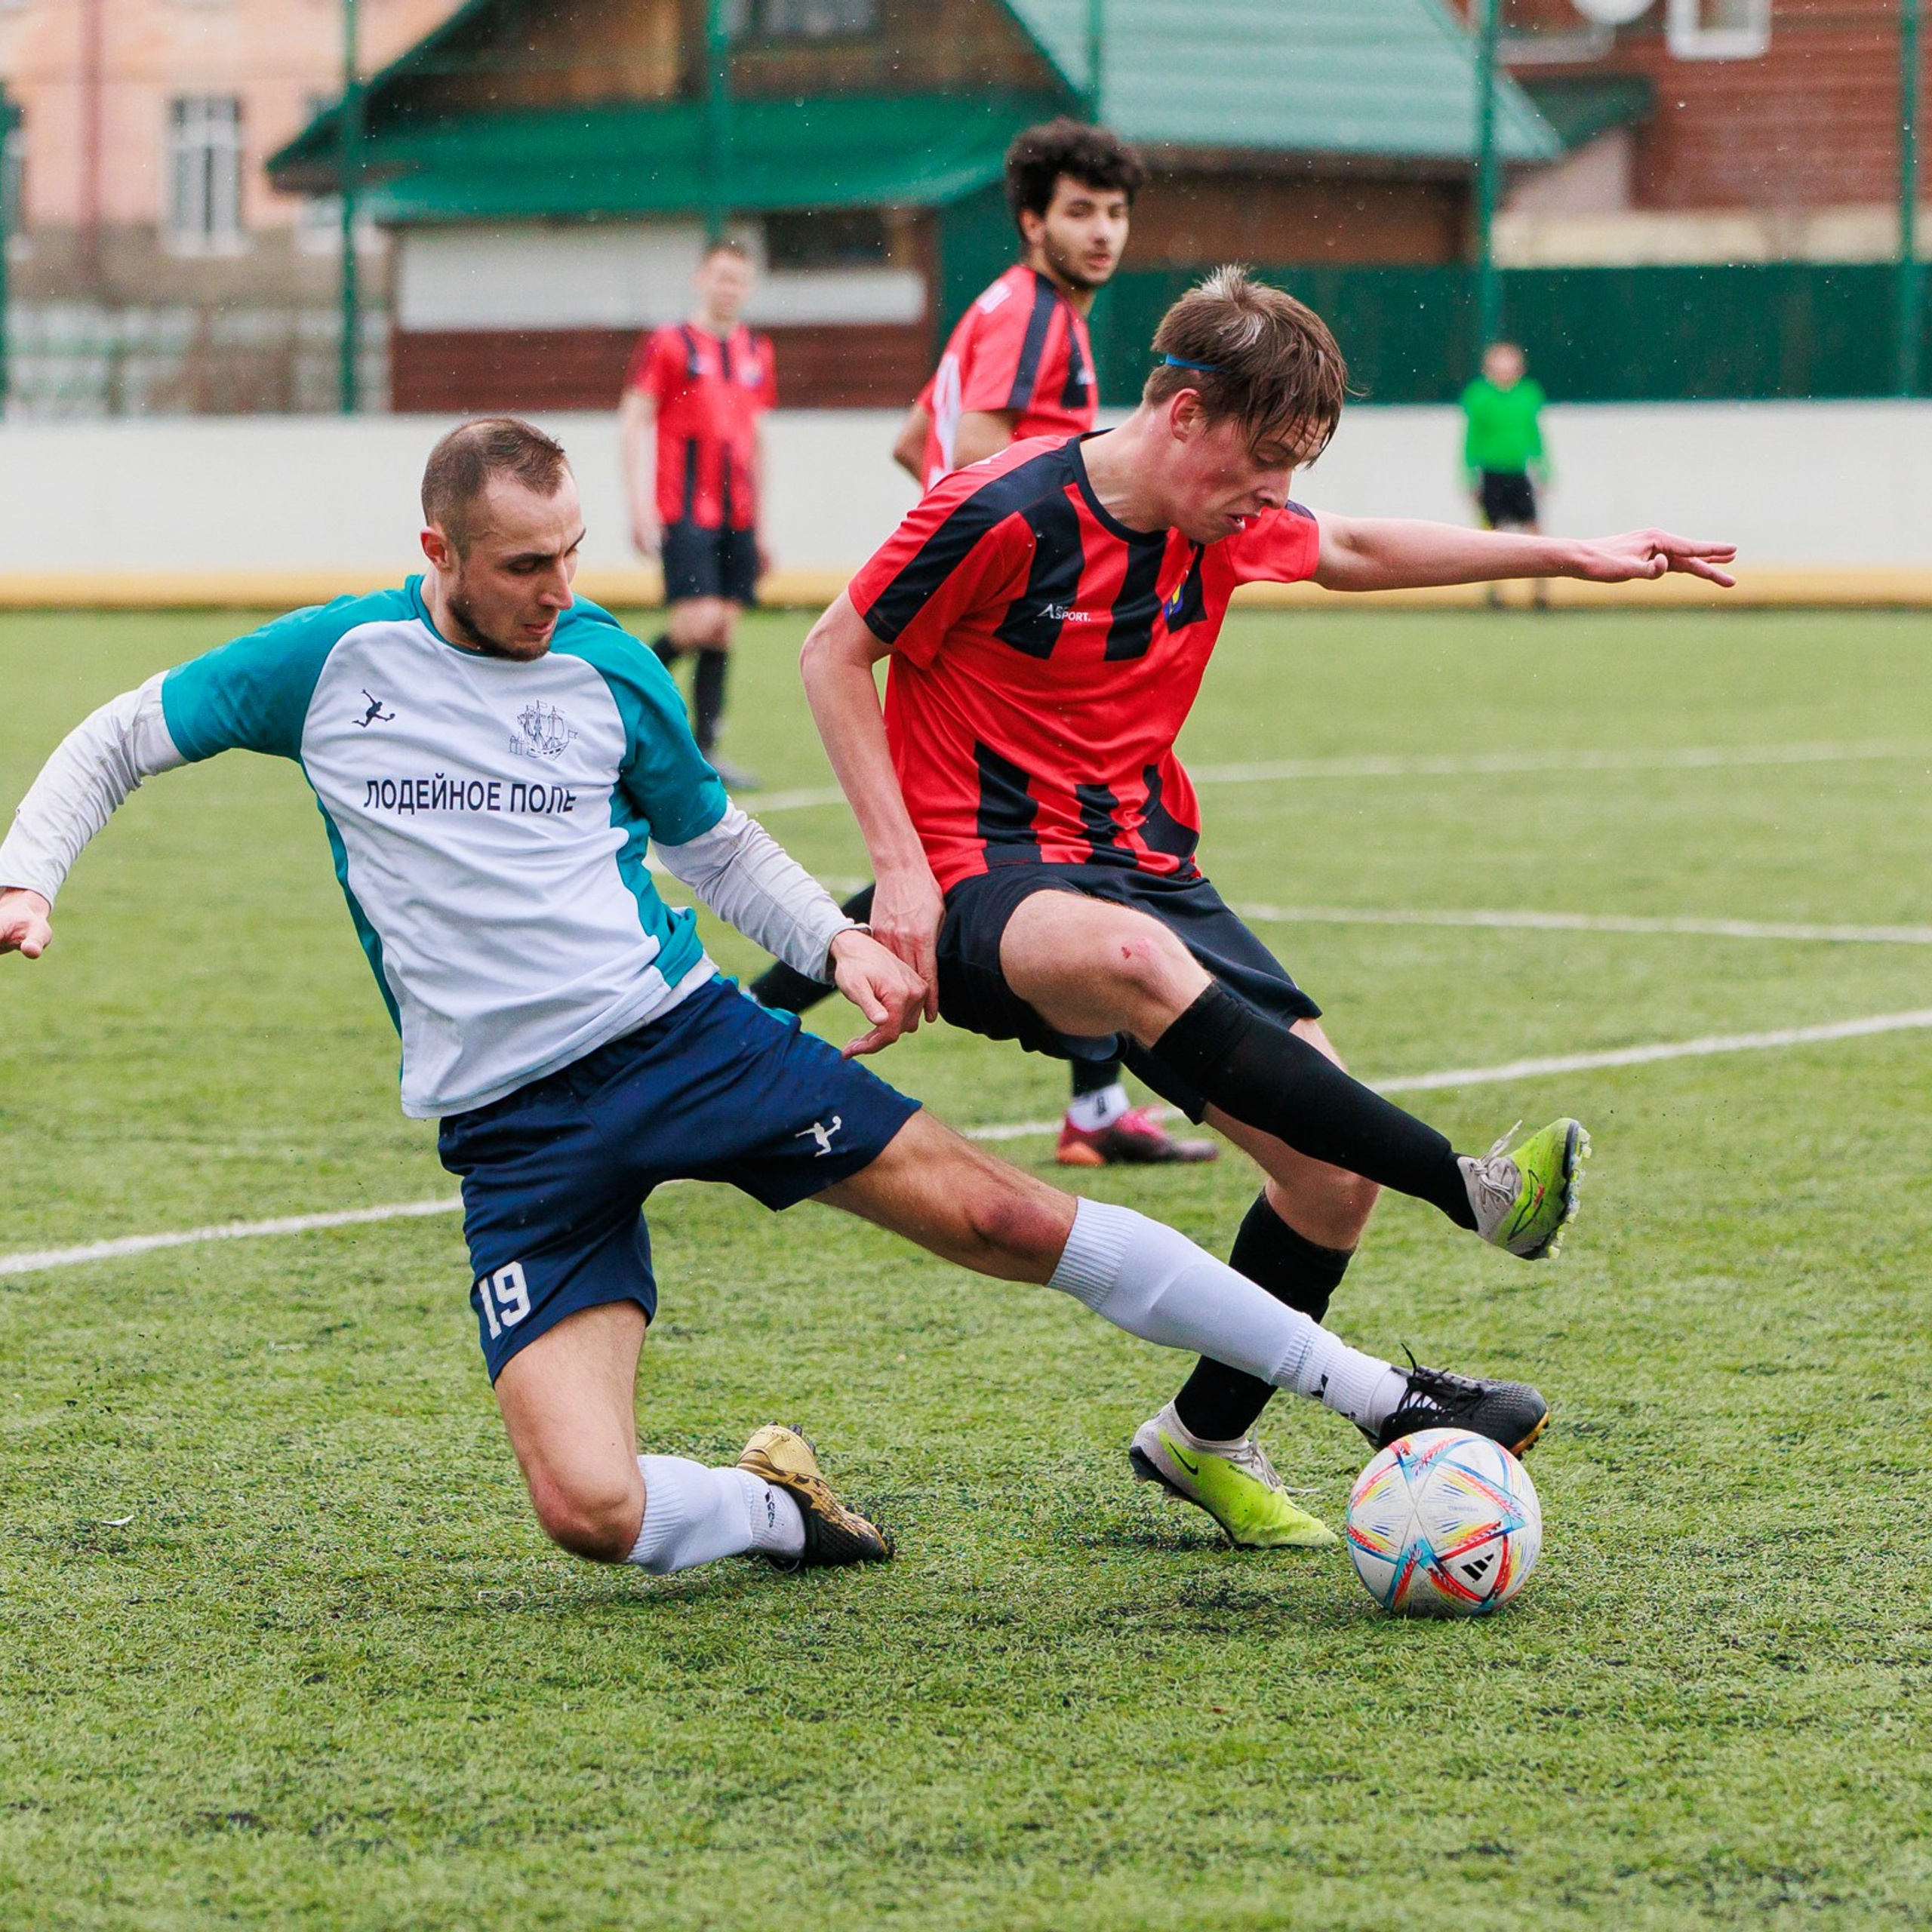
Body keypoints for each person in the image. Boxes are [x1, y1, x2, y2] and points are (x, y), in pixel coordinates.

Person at [0, 416, 1557, 1590]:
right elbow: (120, 735)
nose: (560, 589)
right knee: (588, 1514)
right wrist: (29, 874)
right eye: (524, 564)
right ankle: (776, 1507)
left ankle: (1377, 1392)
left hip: (679, 1040)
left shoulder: (607, 666)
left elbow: (712, 846)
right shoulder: (327, 662)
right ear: (438, 547)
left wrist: (839, 936)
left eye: (571, 554)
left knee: (1009, 1221)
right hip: (509, 1131)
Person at [796, 269, 1737, 1552]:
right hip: (982, 871)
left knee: (1327, 1177)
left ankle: (1204, 1438)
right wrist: (897, 869)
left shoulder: (1227, 524)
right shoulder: (1004, 509)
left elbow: (1350, 547)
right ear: (1182, 411)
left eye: (1298, 467)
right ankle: (1474, 1189)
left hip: (1149, 864)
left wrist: (1574, 552)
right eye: (1266, 459)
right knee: (1130, 958)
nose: (1278, 498)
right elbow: (834, 650)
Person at [750, 118, 1210, 1169]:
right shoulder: (1039, 318)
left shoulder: (997, 310)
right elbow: (969, 457)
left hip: (966, 623)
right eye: (1079, 212)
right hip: (991, 643)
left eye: (1115, 212)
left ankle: (1094, 1104)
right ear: (1031, 220)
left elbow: (917, 443)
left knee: (1005, 860)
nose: (1102, 233)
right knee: (1027, 857)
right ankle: (725, 1038)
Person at [620, 237, 775, 787]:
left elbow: (755, 439)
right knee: (696, 623)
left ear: (749, 287)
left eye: (739, 279)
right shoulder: (670, 343)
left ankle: (705, 751)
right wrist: (638, 504)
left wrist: (764, 525)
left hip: (740, 511)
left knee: (723, 628)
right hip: (685, 506)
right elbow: (633, 417)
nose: (728, 288)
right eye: (720, 276)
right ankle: (616, 690)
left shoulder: (758, 351)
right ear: (700, 280)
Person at [1462, 340, 1550, 610]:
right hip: (1491, 474)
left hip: (1518, 473)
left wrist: (1544, 469)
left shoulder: (1529, 395)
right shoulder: (1478, 396)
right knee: (1493, 535)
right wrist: (1469, 476)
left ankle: (1541, 592)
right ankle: (1496, 592)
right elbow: (1470, 439)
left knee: (1535, 531)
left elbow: (1536, 435)